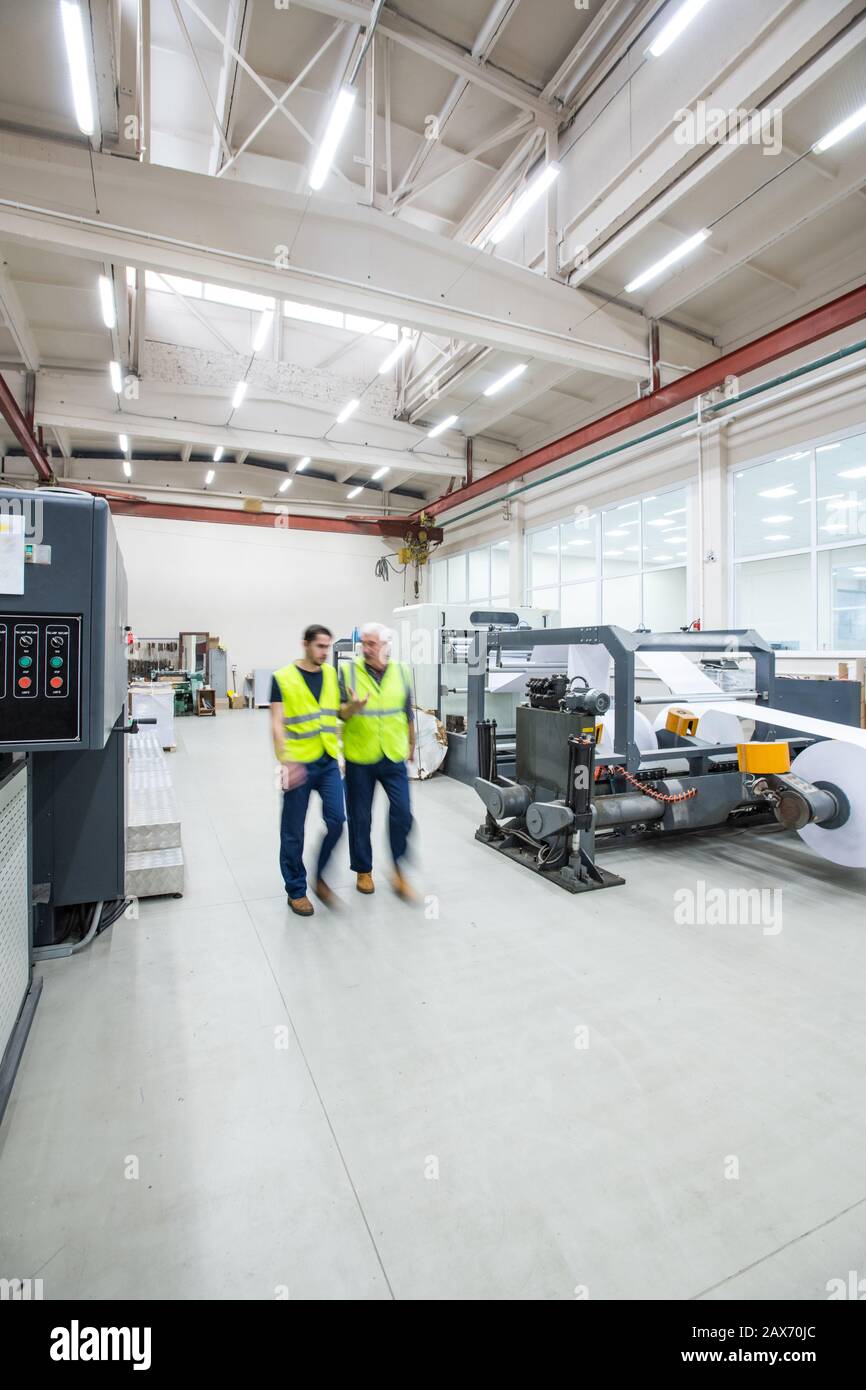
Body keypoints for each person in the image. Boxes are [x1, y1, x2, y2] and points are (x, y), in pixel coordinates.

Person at [271, 625, 345, 917]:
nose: (325, 653)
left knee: (338, 820)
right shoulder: (282, 678)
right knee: (293, 832)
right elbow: (277, 723)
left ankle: (321, 874)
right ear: (305, 644)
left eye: (328, 647)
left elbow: (337, 713)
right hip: (296, 763)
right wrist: (285, 760)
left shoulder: (330, 674)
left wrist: (354, 708)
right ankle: (296, 891)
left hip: (327, 761)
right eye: (320, 647)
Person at [340, 622, 417, 901]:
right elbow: (340, 714)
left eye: (373, 643)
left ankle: (398, 868)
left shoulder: (401, 671)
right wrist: (353, 707)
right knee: (360, 817)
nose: (368, 648)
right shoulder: (347, 671)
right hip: (360, 755)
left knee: (402, 812)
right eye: (365, 643)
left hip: (393, 754)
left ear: (387, 646)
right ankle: (363, 870)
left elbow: (406, 710)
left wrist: (412, 743)